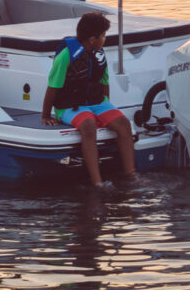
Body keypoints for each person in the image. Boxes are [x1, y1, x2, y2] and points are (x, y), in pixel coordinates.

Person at [43, 10, 139, 186]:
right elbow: (52, 87)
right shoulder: (66, 56)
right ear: (92, 40)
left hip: (97, 103)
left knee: (124, 124)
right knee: (88, 125)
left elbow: (104, 82)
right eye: (103, 35)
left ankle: (130, 174)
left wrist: (107, 107)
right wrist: (46, 115)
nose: (105, 39)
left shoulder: (99, 54)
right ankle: (98, 182)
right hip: (69, 107)